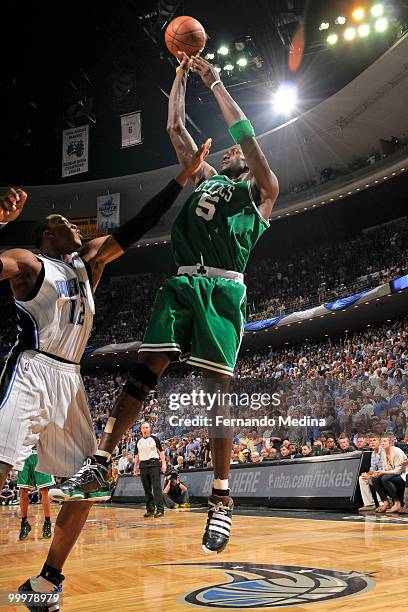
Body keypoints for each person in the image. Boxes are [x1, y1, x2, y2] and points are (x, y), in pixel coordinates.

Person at [50, 51, 279, 556]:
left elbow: (247, 137)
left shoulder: (262, 189)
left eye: (232, 157)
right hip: (181, 282)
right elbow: (176, 129)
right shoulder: (206, 182)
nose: (227, 157)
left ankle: (222, 497)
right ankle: (103, 459)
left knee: (217, 389)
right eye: (225, 157)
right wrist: (178, 78)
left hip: (223, 288)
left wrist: (216, 83)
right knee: (143, 369)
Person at [0, 146, 210, 608]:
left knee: (89, 482)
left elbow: (136, 227)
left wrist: (181, 178)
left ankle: (47, 581)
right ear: (47, 235)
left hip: (71, 379)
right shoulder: (28, 262)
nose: (79, 228)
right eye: (68, 225)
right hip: (32, 369)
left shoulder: (89, 264)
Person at [17, 446, 54, 540]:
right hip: (23, 455)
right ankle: (24, 523)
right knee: (23, 491)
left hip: (40, 454)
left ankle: (47, 522)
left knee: (44, 491)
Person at [133, 422, 166, 518]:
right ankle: (150, 510)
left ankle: (160, 510)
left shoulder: (155, 439)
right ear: (141, 430)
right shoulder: (138, 441)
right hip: (143, 465)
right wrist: (135, 467)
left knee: (157, 488)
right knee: (147, 490)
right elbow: (136, 455)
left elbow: (161, 452)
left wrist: (163, 463)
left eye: (147, 427)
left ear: (150, 429)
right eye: (143, 428)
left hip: (154, 465)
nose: (145, 429)